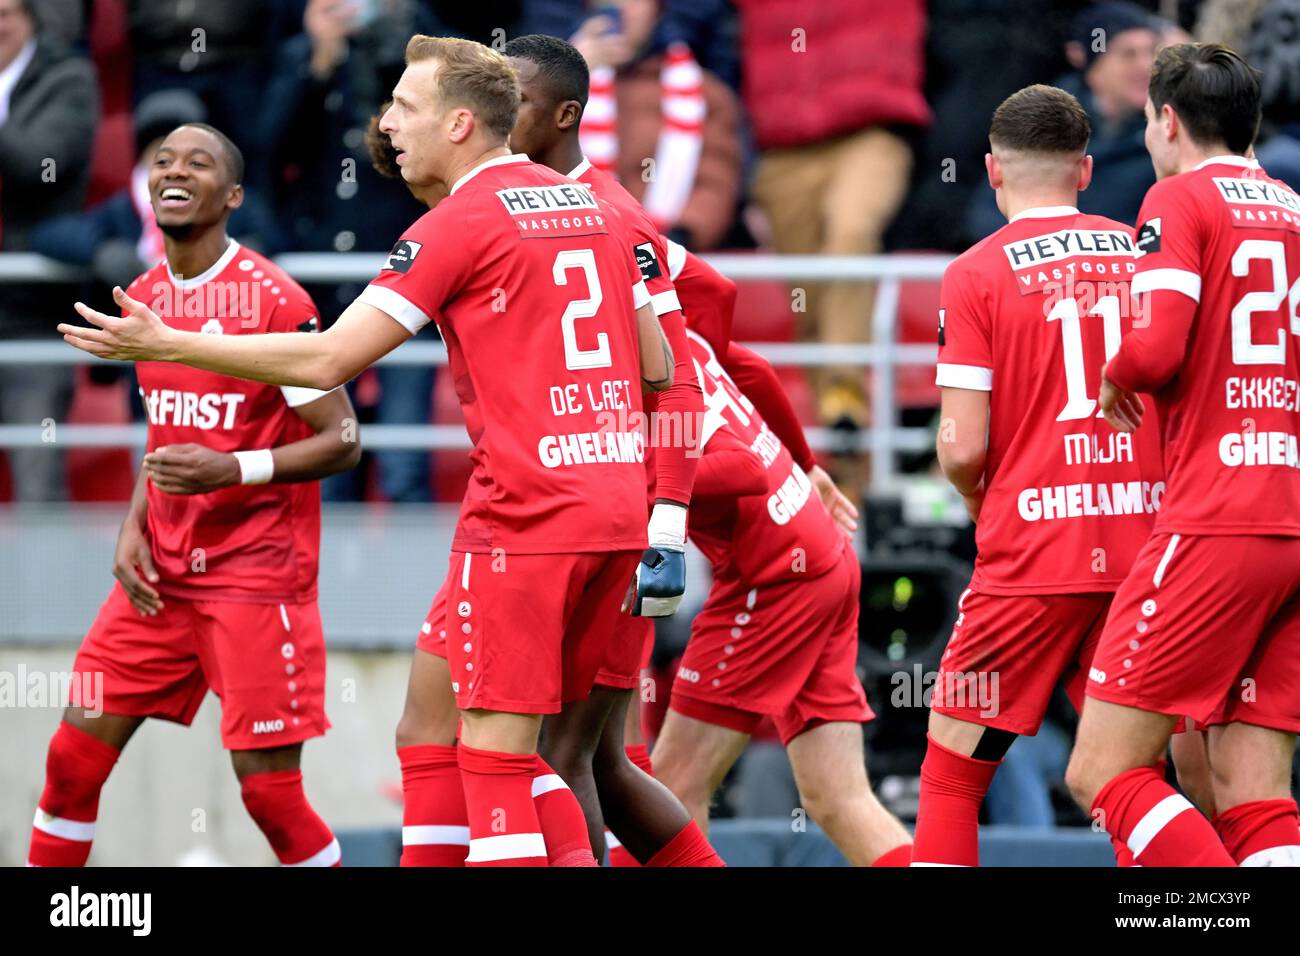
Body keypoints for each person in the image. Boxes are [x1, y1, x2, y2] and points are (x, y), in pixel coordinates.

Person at [60, 35, 687, 868]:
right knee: (484, 743)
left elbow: (328, 362)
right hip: (617, 516)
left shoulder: (456, 223)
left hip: (526, 522)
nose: (386, 122)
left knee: (499, 767)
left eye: (404, 105)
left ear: (461, 123)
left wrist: (168, 340)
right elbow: (660, 367)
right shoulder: (601, 205)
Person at [28, 123, 360, 867]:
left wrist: (233, 471)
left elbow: (343, 439)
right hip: (160, 581)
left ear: (233, 195)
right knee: (70, 762)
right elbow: (169, 431)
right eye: (163, 162)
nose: (175, 171)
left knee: (269, 797)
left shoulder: (275, 300)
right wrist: (134, 523)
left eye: (199, 162)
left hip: (255, 576)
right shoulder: (143, 298)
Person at [912, 84, 1165, 867]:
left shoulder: (976, 271)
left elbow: (959, 445)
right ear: (1086, 170)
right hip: (1147, 542)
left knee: (952, 770)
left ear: (991, 171)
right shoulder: (1143, 255)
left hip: (1032, 547)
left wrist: (983, 501)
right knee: (1131, 770)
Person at [1067, 43, 1300, 867]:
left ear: (1167, 121)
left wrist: (1116, 372)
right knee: (1254, 788)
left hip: (1219, 518)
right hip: (1292, 521)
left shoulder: (1176, 200)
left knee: (1100, 770)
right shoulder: (1294, 207)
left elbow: (1157, 347)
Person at [648, 325, 914, 867]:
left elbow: (740, 467)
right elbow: (758, 370)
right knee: (838, 798)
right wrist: (807, 463)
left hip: (774, 575)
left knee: (672, 786)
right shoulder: (677, 327)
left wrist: (635, 479)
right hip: (819, 547)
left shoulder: (629, 360)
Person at [0, 0, 98, 501]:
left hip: (29, 316)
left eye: (5, 12)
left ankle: (44, 583)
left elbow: (45, 166)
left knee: (38, 479)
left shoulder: (68, 77)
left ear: (32, 17)